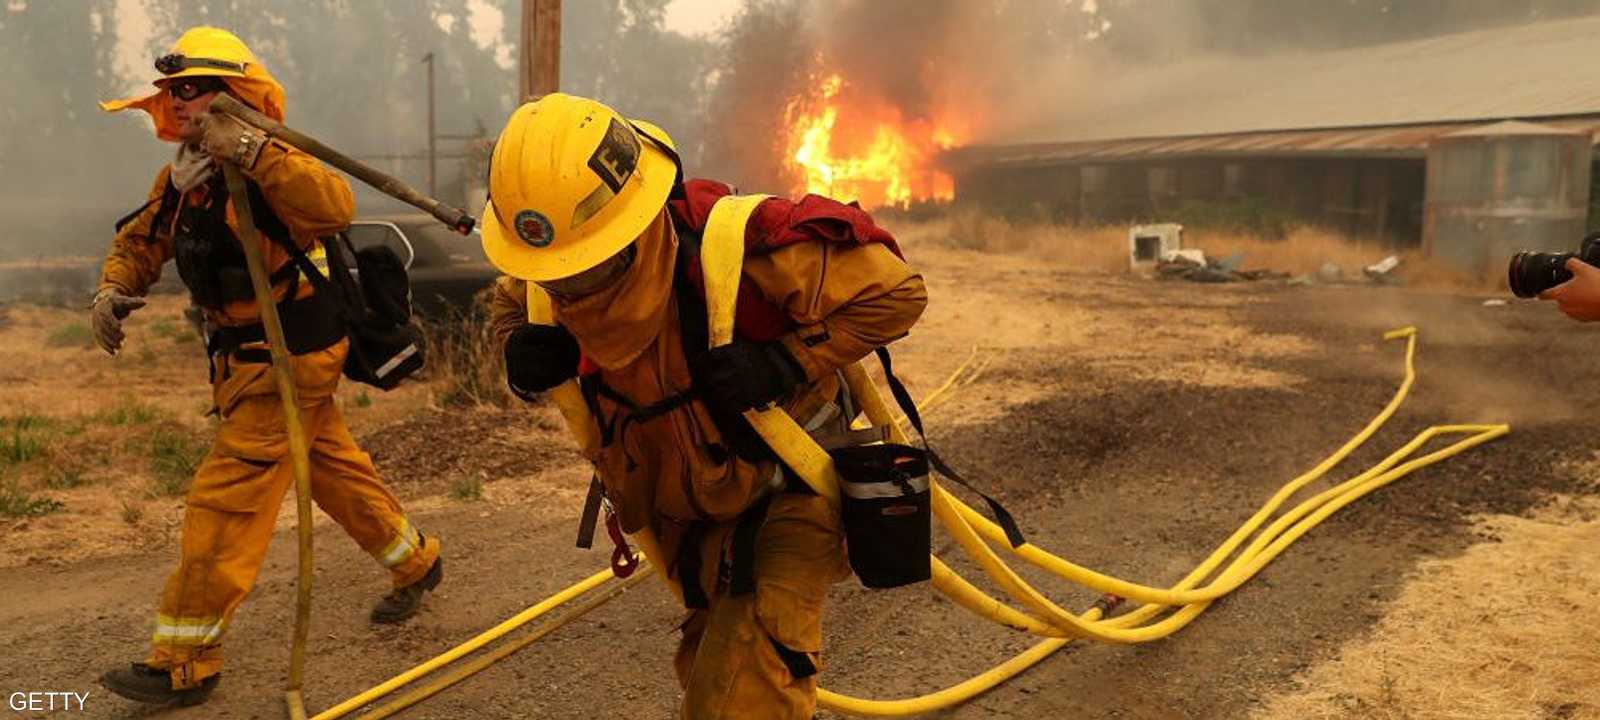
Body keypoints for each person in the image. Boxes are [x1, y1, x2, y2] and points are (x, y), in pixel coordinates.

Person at [482, 93, 928, 718]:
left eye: (585, 267)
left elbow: (897, 292)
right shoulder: (545, 269)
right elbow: (511, 304)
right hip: (689, 514)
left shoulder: (740, 246)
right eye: (555, 273)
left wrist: (787, 362)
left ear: (636, 221)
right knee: (711, 667)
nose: (565, 288)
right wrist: (520, 354)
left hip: (791, 492)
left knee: (746, 684)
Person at [93, 27, 442, 707]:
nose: (181, 104)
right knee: (333, 469)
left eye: (194, 91)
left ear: (234, 98)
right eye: (174, 93)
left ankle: (185, 659)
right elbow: (141, 241)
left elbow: (335, 206)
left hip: (290, 358)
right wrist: (110, 290)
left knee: (226, 501)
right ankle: (417, 562)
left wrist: (252, 153)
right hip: (242, 361)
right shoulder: (183, 180)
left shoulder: (275, 161)